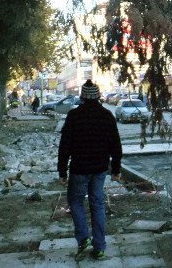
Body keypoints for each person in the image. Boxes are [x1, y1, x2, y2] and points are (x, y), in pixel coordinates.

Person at [57, 79, 122, 261]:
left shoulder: (74, 116)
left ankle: (83, 237)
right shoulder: (107, 116)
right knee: (97, 205)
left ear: (82, 97)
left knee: (75, 202)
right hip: (100, 169)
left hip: (79, 169)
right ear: (99, 97)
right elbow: (116, 145)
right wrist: (115, 169)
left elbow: (65, 146)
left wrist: (62, 171)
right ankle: (100, 248)